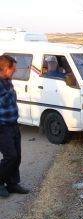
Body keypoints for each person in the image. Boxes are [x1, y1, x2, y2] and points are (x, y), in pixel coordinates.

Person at [0, 55, 29, 198]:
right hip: (2, 127)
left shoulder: (8, 81)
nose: (14, 72)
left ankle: (12, 184)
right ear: (5, 68)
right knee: (10, 156)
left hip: (13, 124)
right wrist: (10, 93)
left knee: (17, 156)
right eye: (13, 69)